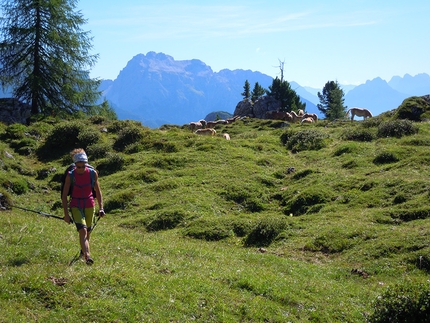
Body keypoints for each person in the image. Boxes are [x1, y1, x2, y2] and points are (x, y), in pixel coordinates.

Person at [62, 148, 105, 265]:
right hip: (75, 204)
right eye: (78, 166)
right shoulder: (70, 175)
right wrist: (66, 214)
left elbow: (98, 191)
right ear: (75, 165)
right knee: (83, 230)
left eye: (83, 166)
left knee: (88, 232)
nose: (81, 169)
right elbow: (64, 196)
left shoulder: (92, 173)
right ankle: (88, 256)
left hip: (90, 204)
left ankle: (83, 252)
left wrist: (101, 208)